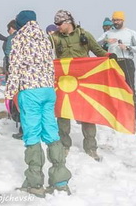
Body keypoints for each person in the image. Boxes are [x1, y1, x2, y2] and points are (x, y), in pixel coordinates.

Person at [6, 11, 71, 197]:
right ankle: (60, 180)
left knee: (32, 135)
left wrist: (10, 93)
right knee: (51, 132)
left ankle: (35, 183)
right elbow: (51, 65)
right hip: (48, 91)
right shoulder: (45, 37)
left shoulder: (19, 39)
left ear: (20, 25)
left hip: (30, 91)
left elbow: (15, 67)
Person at [50, 10, 107, 161]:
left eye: (59, 24)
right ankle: (64, 145)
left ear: (68, 22)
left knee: (87, 115)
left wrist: (110, 58)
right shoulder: (54, 38)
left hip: (84, 83)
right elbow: (43, 51)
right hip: (64, 82)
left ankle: (91, 148)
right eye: (55, 24)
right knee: (63, 115)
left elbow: (98, 51)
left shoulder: (85, 35)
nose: (57, 27)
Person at [98, 11, 136, 119]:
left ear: (123, 20)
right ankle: (114, 114)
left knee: (129, 88)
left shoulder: (131, 33)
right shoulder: (108, 33)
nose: (115, 22)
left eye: (118, 20)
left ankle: (134, 116)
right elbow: (96, 43)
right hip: (113, 62)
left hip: (126, 61)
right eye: (114, 20)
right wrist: (106, 40)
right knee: (112, 88)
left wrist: (127, 47)